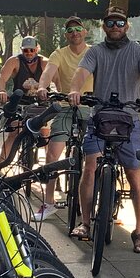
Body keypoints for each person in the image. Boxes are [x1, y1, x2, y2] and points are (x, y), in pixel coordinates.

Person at [67, 6, 140, 253]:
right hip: (99, 117)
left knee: (135, 173)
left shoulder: (138, 51)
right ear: (104, 27)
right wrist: (75, 90)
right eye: (110, 23)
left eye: (120, 23)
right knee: (90, 166)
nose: (115, 27)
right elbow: (81, 73)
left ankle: (139, 230)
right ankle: (85, 222)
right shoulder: (96, 52)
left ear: (127, 26)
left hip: (130, 121)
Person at [34, 16, 93, 221]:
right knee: (52, 154)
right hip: (67, 108)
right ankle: (49, 203)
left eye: (78, 28)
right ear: (65, 34)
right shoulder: (59, 53)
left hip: (91, 108)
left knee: (96, 157)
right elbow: (48, 71)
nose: (74, 33)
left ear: (85, 31)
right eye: (70, 30)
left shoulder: (94, 52)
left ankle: (100, 199)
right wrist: (42, 86)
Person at [0, 36, 51, 160]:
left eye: (32, 50)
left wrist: (59, 94)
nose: (29, 53)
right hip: (20, 103)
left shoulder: (44, 62)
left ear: (37, 49)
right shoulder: (14, 61)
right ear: (22, 50)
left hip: (40, 103)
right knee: (14, 133)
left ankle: (50, 168)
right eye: (26, 50)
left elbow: (57, 79)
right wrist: (2, 90)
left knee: (46, 135)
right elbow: (2, 78)